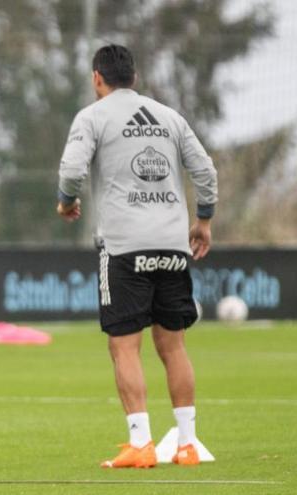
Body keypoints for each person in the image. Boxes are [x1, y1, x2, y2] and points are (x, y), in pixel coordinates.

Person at [55, 45, 218, 468]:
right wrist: (203, 221)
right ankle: (187, 444)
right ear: (135, 77)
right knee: (174, 345)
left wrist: (66, 201)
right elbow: (205, 171)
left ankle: (141, 443)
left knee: (124, 346)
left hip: (125, 245)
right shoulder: (169, 116)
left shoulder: (93, 116)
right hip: (172, 244)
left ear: (97, 78)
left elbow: (72, 170)